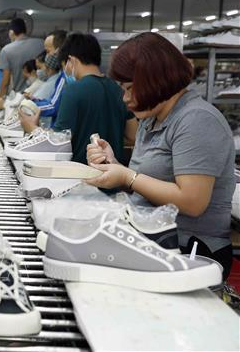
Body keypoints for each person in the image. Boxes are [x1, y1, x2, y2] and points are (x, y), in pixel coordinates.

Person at [84, 32, 234, 279]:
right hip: (152, 238)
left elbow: (192, 202)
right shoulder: (152, 117)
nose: (126, 98)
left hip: (191, 252)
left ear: (157, 80)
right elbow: (148, 184)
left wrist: (127, 176)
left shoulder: (196, 120)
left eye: (131, 88)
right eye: (123, 89)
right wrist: (115, 165)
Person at [20, 33, 137, 164]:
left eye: (65, 65)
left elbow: (58, 142)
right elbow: (133, 136)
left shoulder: (73, 91)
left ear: (72, 60)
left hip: (83, 175)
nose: (66, 71)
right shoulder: (119, 90)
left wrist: (32, 128)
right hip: (115, 175)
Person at [0, 18, 43, 109]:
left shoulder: (7, 50)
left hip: (21, 98)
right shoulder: (41, 43)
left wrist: (1, 98)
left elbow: (6, 79)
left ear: (11, 32)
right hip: (43, 94)